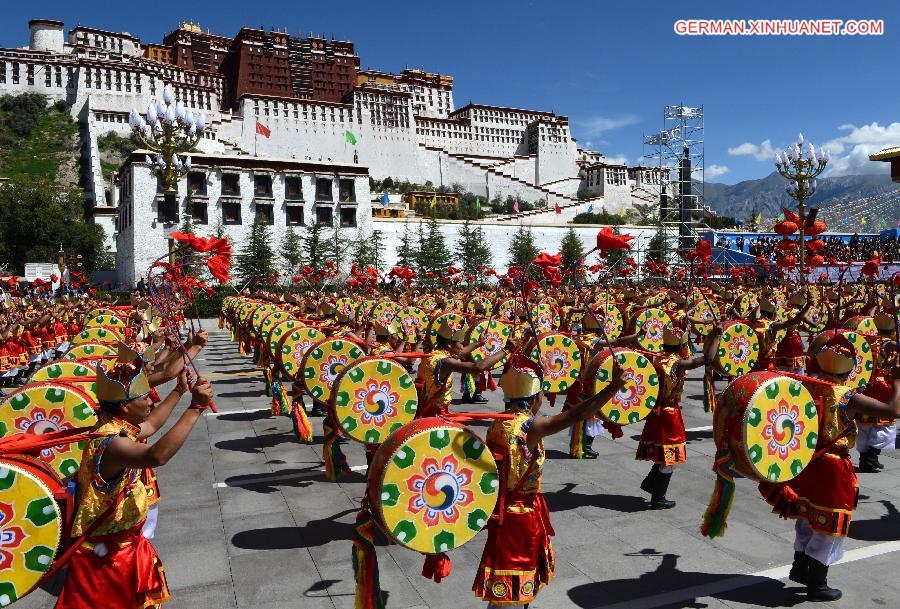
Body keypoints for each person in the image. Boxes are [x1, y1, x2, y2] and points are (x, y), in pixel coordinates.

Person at [55, 345, 214, 609]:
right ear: (126, 407)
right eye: (145, 399)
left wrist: (178, 392)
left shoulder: (115, 425)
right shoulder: (112, 442)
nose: (151, 401)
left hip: (120, 550)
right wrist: (195, 408)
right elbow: (156, 456)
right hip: (108, 560)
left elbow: (150, 425)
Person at [472, 356, 627, 607]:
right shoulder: (529, 427)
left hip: (503, 511)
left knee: (506, 579)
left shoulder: (498, 422)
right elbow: (578, 413)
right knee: (515, 580)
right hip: (520, 516)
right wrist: (612, 387)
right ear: (534, 398)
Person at [758, 334, 900, 601]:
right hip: (833, 467)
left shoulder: (807, 385)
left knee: (806, 516)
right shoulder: (847, 396)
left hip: (807, 461)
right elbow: (893, 410)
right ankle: (817, 584)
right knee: (829, 524)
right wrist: (898, 379)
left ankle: (800, 568)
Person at [635, 325, 720, 509]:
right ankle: (658, 497)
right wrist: (716, 337)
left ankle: (651, 485)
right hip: (669, 415)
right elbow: (707, 359)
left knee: (662, 455)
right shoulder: (677, 364)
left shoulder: (657, 357)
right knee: (670, 457)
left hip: (656, 413)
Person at [416, 320, 506, 418]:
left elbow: (459, 354)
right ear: (449, 345)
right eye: (461, 343)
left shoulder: (435, 354)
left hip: (429, 407)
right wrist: (506, 350)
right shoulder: (446, 362)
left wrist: (479, 343)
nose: (463, 346)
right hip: (436, 412)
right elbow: (478, 367)